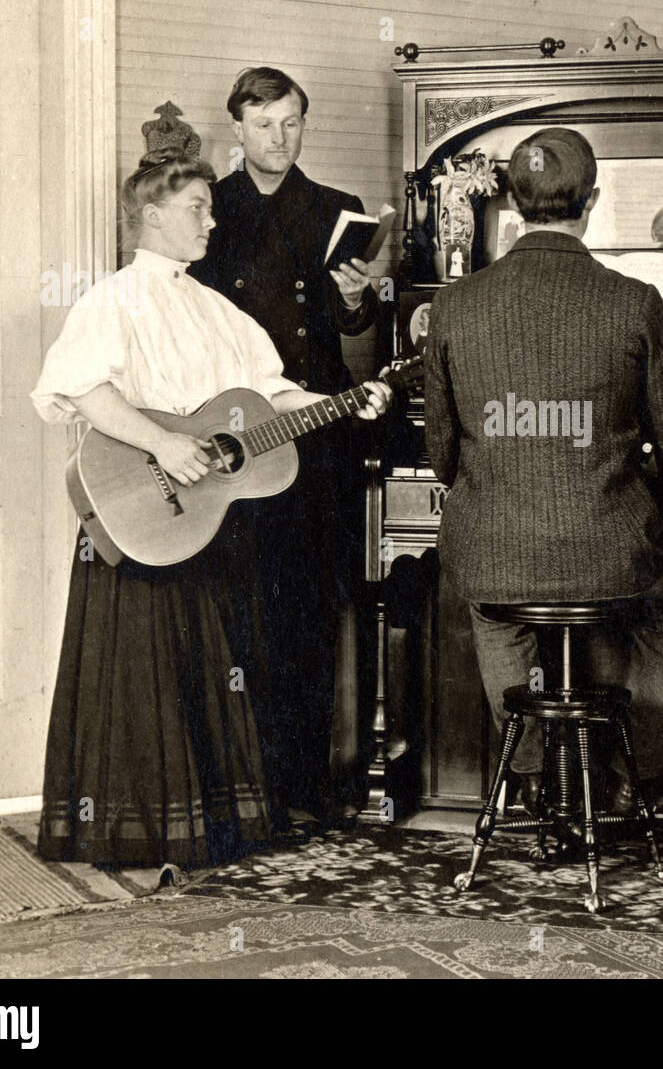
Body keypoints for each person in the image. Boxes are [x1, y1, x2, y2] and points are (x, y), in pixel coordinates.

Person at [31, 147, 390, 869]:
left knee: (215, 659)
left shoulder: (214, 306)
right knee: (144, 669)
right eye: (196, 207)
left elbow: (270, 392)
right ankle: (138, 829)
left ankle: (208, 826)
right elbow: (83, 392)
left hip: (201, 519)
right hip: (140, 508)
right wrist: (163, 444)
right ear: (152, 216)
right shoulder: (112, 299)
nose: (210, 219)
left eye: (210, 206)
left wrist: (348, 402)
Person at [423, 127, 663, 813]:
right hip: (607, 548)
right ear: (591, 199)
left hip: (493, 543)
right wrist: (648, 491)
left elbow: (442, 456)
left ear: (513, 202)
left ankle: (529, 774)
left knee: (494, 604)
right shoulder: (633, 300)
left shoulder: (453, 303)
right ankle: (636, 777)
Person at [190, 67, 384, 825]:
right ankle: (244, 788)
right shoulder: (210, 211)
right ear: (236, 129)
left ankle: (306, 787)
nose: (280, 138)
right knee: (240, 608)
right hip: (234, 440)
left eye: (292, 124)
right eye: (264, 125)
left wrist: (356, 300)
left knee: (309, 611)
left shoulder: (337, 210)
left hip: (314, 434)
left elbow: (358, 333)